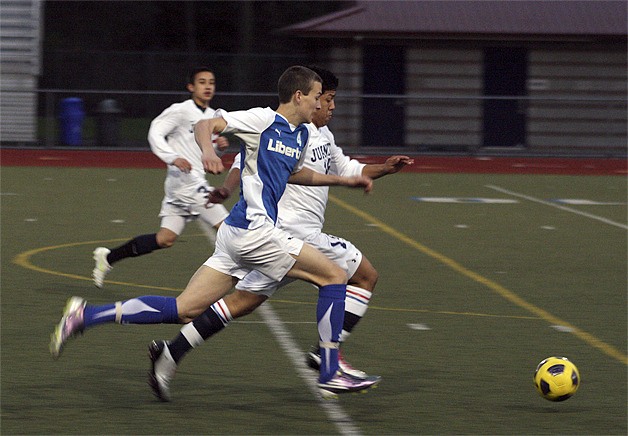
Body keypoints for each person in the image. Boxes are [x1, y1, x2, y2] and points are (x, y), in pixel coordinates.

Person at [50, 65, 379, 399]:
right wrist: (208, 150)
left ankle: (86, 315)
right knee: (334, 276)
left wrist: (346, 180)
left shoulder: (301, 134)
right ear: (298, 96)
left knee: (184, 309)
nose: (320, 105)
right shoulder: (261, 120)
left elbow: (298, 174)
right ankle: (329, 370)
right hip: (256, 233)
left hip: (236, 234)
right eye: (315, 97)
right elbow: (206, 124)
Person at [148, 66, 413, 401]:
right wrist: (227, 184)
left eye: (330, 100)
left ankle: (171, 354)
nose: (328, 107)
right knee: (361, 275)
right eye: (325, 99)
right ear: (306, 98)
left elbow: (347, 167)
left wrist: (384, 168)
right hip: (286, 233)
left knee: (239, 303)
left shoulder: (320, 137)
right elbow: (245, 160)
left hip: (281, 237)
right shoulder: (277, 128)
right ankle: (327, 357)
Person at [92, 66, 230, 288]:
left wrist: (220, 148)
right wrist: (172, 157)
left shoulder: (213, 116)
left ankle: (108, 257)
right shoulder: (181, 110)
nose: (207, 86)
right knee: (228, 228)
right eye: (202, 82)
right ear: (191, 87)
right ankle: (249, 280)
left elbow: (204, 152)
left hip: (187, 183)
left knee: (165, 239)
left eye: (211, 82)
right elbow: (155, 131)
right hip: (185, 182)